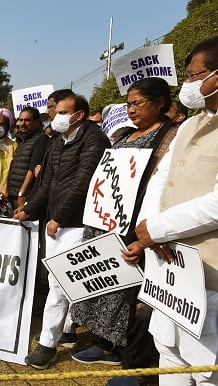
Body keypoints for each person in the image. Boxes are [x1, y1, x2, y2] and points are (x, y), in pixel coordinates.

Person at [122, 36, 218, 386]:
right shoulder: (191, 124)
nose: (188, 84)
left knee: (205, 367)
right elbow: (163, 177)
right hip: (169, 269)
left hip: (209, 275)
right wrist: (148, 228)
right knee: (169, 353)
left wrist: (159, 230)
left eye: (195, 75)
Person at [70, 77, 177, 386]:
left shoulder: (169, 137)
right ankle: (114, 350)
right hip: (106, 225)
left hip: (140, 230)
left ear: (160, 103)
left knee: (136, 303)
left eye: (137, 103)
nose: (131, 110)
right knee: (109, 294)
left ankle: (139, 369)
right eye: (128, 104)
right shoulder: (125, 137)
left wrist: (147, 234)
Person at [15, 94, 110, 369]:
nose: (54, 117)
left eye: (61, 112)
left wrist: (59, 216)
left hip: (77, 222)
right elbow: (48, 182)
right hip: (56, 221)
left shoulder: (94, 140)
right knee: (62, 281)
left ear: (79, 115)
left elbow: (84, 183)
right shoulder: (59, 142)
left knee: (59, 282)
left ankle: (47, 344)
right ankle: (66, 330)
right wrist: (29, 209)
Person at [6, 107, 46, 209]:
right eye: (21, 120)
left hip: (25, 197)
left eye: (27, 120)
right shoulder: (23, 140)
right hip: (13, 194)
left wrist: (22, 193)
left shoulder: (41, 139)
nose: (22, 123)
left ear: (37, 122)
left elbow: (32, 169)